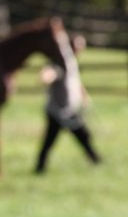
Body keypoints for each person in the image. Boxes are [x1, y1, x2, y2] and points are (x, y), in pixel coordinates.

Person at [35, 33, 102, 174]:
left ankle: (95, 159)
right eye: (77, 46)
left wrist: (84, 95)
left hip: (69, 108)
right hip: (57, 110)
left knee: (82, 136)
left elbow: (74, 81)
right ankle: (40, 167)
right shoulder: (60, 61)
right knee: (51, 140)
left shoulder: (71, 61)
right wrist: (46, 76)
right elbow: (51, 72)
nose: (80, 49)